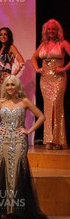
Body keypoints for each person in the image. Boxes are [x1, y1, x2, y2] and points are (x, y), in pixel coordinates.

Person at [0, 76, 49, 219]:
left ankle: (18, 210)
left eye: (13, 84)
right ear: (5, 87)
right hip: (4, 140)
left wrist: (29, 130)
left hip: (19, 140)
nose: (10, 87)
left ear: (17, 86)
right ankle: (7, 210)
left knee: (17, 171)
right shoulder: (1, 103)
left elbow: (41, 117)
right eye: (8, 85)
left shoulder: (24, 101)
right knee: (6, 172)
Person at [31, 19, 70, 150]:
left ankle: (59, 139)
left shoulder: (63, 43)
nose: (51, 31)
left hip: (58, 78)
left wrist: (64, 68)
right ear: (46, 31)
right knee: (48, 107)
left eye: (53, 29)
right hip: (45, 79)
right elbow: (33, 58)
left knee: (56, 106)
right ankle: (48, 139)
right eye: (49, 29)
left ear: (58, 30)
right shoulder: (43, 44)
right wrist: (37, 69)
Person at [0, 28, 25, 134]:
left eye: (5, 34)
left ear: (9, 36)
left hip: (6, 83)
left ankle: (7, 134)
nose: (3, 36)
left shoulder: (11, 47)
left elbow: (21, 62)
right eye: (1, 34)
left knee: (4, 108)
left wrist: (12, 75)